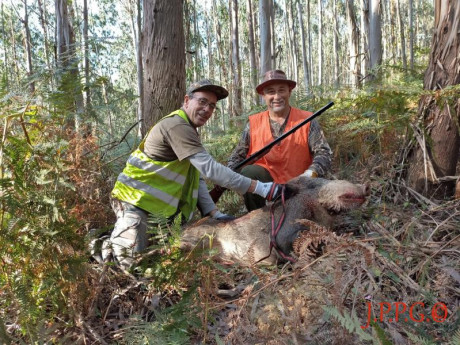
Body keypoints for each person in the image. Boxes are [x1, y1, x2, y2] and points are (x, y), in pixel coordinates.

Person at [103, 79, 283, 270]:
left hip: (161, 215)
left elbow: (195, 177)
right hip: (134, 204)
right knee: (131, 267)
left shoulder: (189, 131)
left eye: (212, 106)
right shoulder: (176, 126)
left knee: (168, 261)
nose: (207, 109)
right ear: (187, 100)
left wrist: (214, 213)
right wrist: (263, 188)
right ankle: (103, 245)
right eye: (203, 101)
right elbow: (212, 171)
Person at [227, 69, 333, 212]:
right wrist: (234, 180)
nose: (277, 96)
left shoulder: (307, 120)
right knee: (249, 171)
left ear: (289, 92)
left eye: (281, 90)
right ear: (263, 95)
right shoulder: (253, 123)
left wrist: (310, 174)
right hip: (266, 188)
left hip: (300, 185)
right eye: (271, 92)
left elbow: (324, 153)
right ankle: (259, 218)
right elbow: (235, 159)